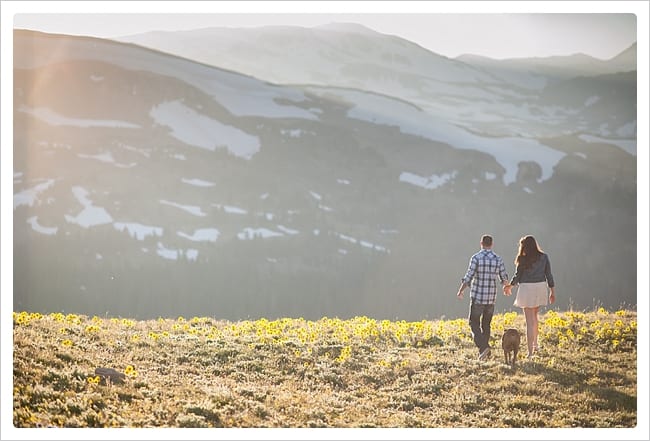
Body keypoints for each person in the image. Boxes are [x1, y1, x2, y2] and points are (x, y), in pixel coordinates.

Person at [456, 234, 509, 360]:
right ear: (492, 244)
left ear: (481, 243)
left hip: (478, 297)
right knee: (486, 324)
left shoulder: (476, 258)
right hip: (491, 297)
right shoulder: (498, 259)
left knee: (473, 323)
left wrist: (460, 290)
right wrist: (506, 287)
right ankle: (485, 352)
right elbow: (504, 277)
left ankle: (483, 347)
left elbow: (468, 277)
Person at [503, 235, 555, 359]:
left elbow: (518, 275)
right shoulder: (544, 257)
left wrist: (510, 286)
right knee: (535, 318)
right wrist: (552, 291)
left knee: (529, 321)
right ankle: (535, 345)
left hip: (527, 288)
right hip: (540, 287)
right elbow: (548, 274)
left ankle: (530, 352)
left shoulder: (523, 258)